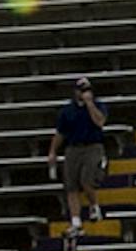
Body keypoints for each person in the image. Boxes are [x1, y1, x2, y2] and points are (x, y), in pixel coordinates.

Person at [46, 75, 112, 231]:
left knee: (86, 180)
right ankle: (75, 219)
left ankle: (94, 206)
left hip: (92, 146)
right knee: (71, 185)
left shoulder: (98, 105)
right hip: (73, 148)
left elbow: (100, 122)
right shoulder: (67, 111)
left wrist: (89, 105)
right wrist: (53, 151)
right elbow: (60, 132)